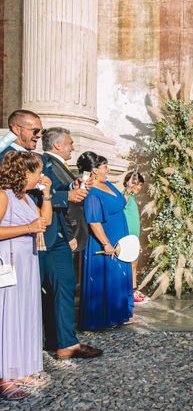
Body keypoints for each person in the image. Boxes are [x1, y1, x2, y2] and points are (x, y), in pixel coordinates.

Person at [40, 128, 101, 359]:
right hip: (44, 236)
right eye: (70, 143)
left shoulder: (60, 167)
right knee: (46, 290)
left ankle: (65, 342)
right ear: (57, 145)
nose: (73, 147)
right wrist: (67, 195)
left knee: (64, 286)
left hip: (59, 236)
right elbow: (36, 195)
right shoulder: (42, 162)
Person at [0, 152, 51, 401]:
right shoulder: (3, 195)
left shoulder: (27, 198)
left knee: (23, 315)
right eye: (37, 171)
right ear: (24, 172)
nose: (40, 176)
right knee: (7, 317)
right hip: (9, 265)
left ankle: (18, 370)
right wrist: (28, 228)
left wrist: (47, 195)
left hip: (28, 263)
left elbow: (45, 220)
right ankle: (4, 376)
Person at [77, 151, 133, 330]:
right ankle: (102, 318)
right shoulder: (92, 192)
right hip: (104, 241)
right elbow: (94, 221)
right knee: (105, 276)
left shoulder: (107, 184)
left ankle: (117, 314)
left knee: (117, 276)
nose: (108, 170)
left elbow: (120, 204)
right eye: (104, 167)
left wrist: (129, 190)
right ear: (94, 170)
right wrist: (106, 243)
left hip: (119, 238)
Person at [122, 170, 149, 304]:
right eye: (137, 184)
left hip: (133, 237)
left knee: (134, 264)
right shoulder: (125, 196)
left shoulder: (132, 198)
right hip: (128, 237)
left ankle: (133, 289)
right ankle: (130, 291)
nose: (138, 188)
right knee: (130, 264)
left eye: (140, 185)